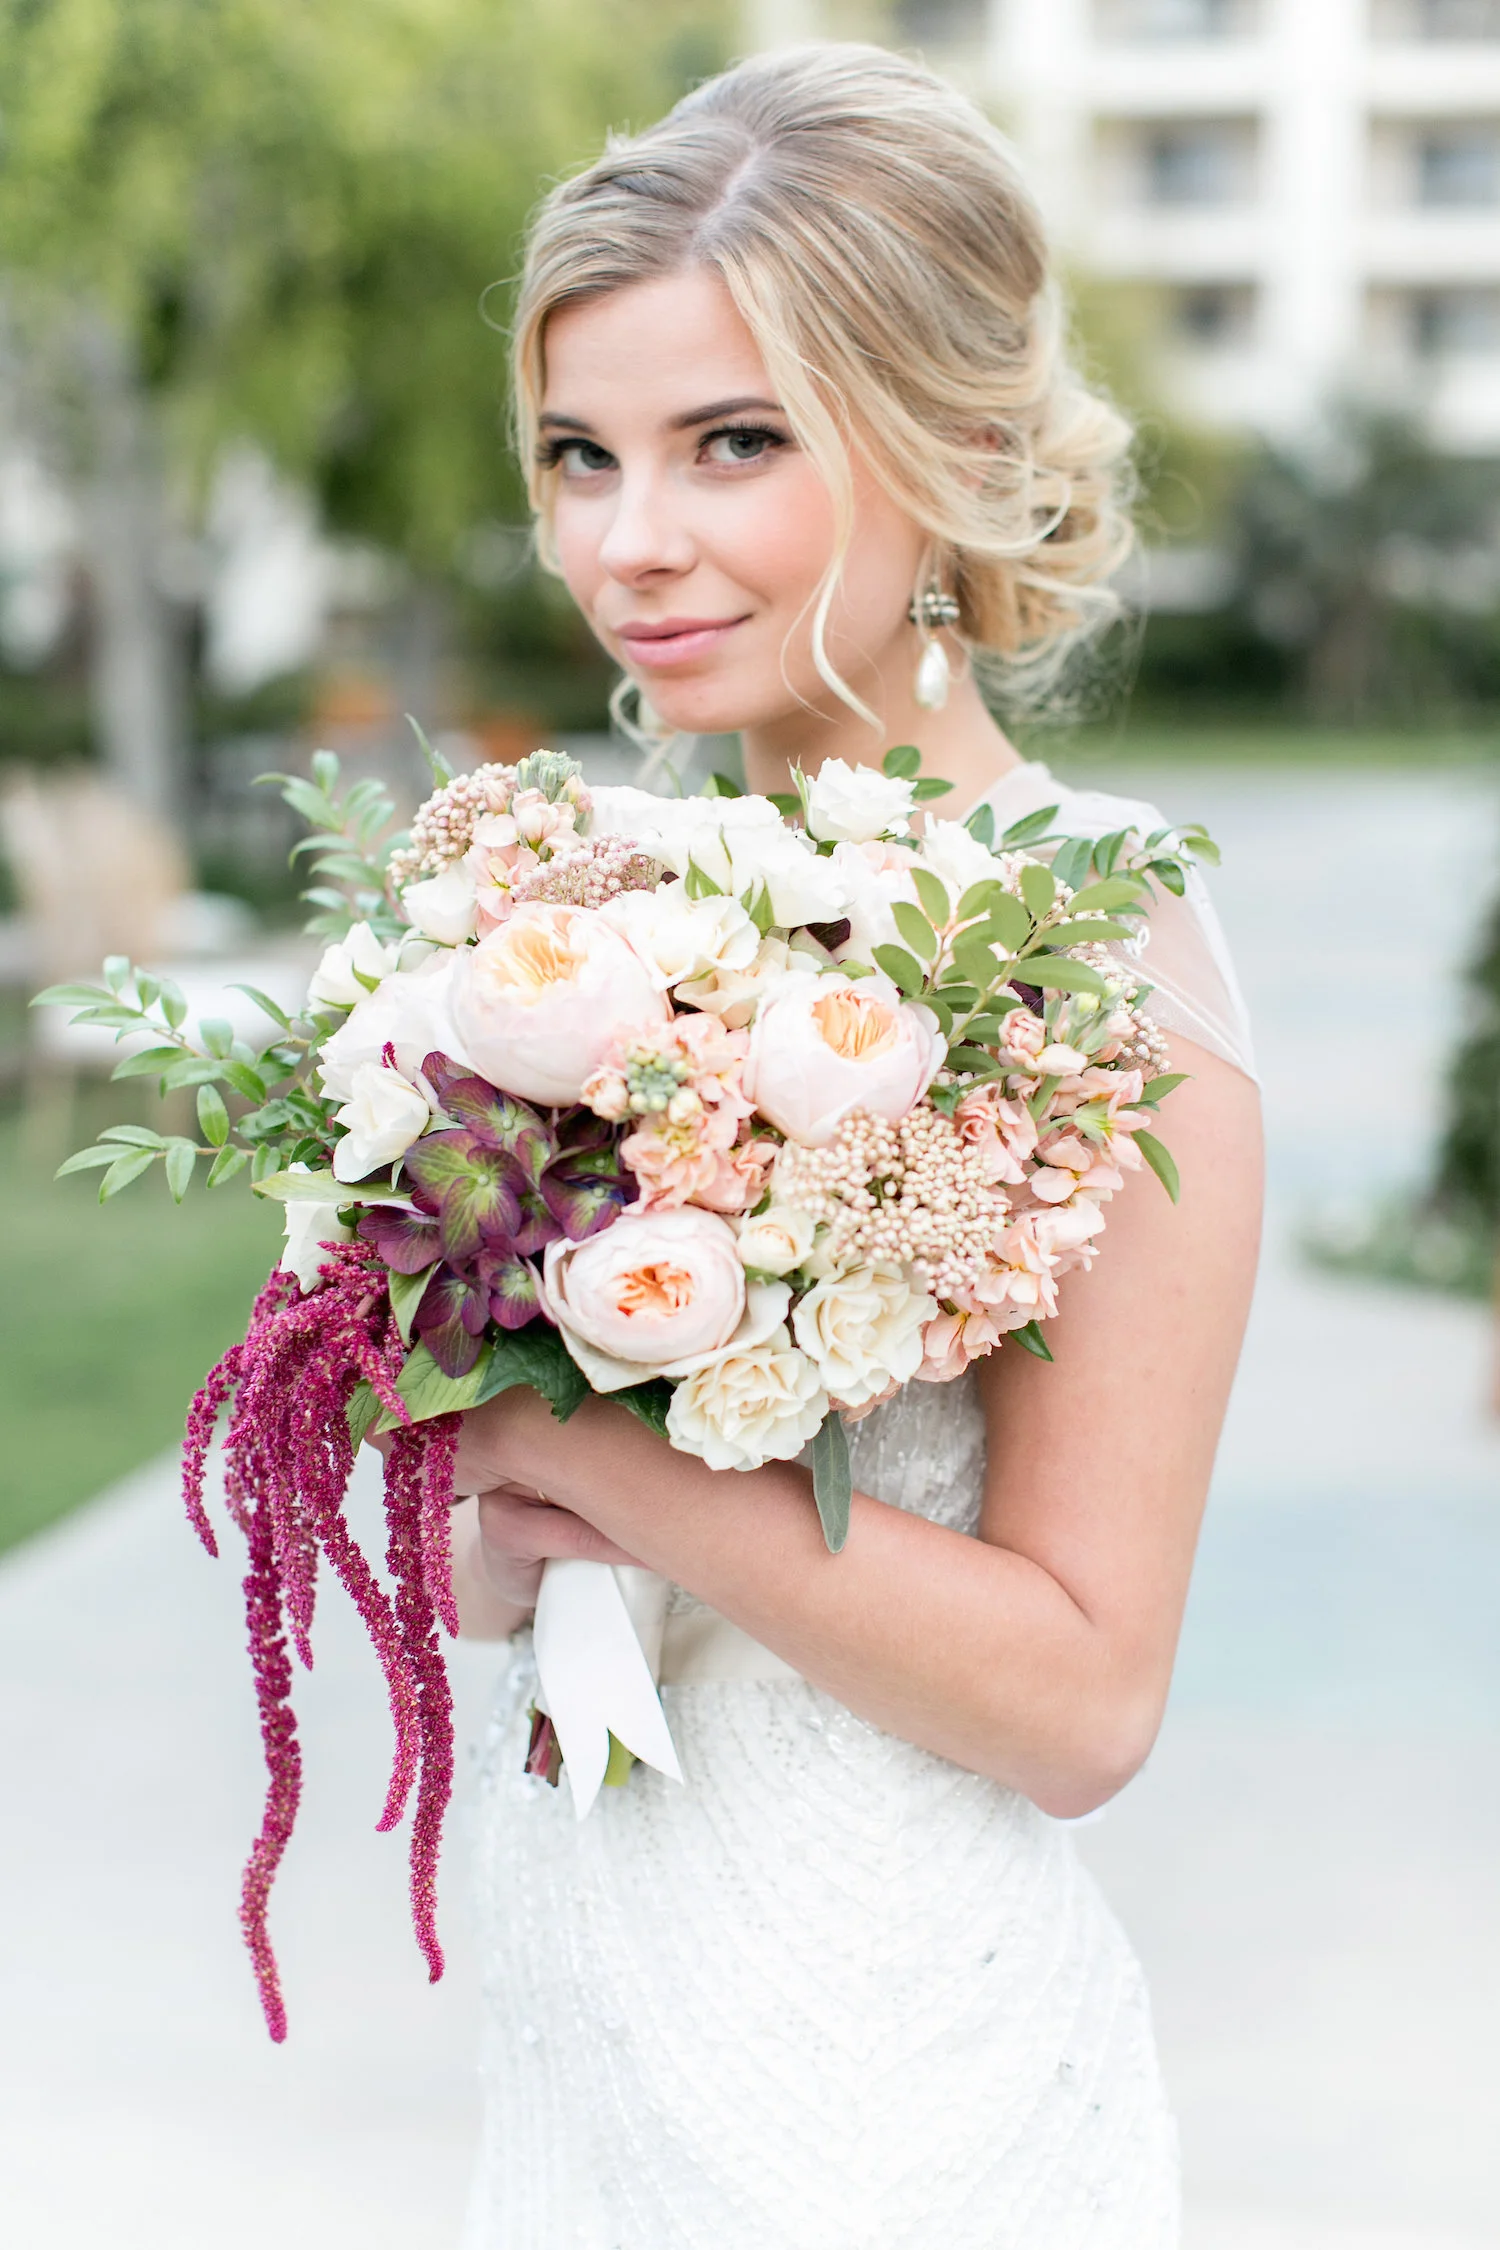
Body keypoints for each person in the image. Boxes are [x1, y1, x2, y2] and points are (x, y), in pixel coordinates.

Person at [446, 43, 1262, 2250]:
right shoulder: (568, 934)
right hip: (584, 2035)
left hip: (877, 2083)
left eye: (734, 441)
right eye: (581, 453)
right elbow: (486, 1569)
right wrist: (493, 1483)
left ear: (952, 448)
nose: (630, 539)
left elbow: (1086, 1700)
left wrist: (616, 1469)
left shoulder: (1091, 942)